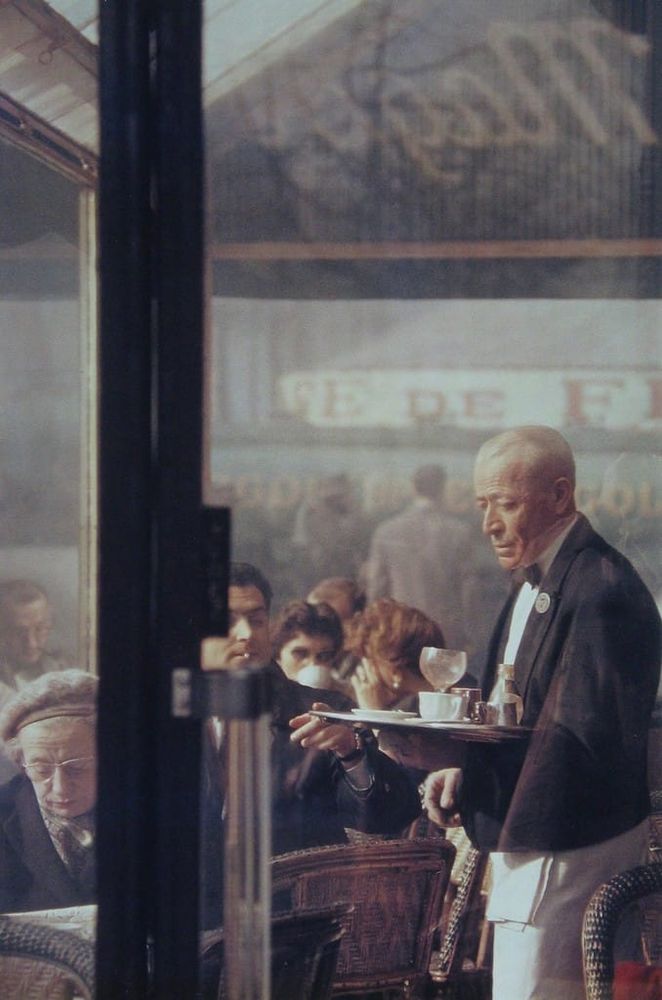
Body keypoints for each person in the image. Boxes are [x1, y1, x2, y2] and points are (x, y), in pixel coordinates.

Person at [423, 426, 661, 1000]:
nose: (489, 525)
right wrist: (459, 764)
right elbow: (518, 707)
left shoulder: (602, 590)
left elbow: (579, 742)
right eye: (483, 505)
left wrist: (471, 765)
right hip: (535, 848)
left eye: (506, 504)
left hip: (565, 851)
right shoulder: (541, 579)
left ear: (560, 496)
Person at [201, 562, 422, 927]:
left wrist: (351, 753)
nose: (245, 634)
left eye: (256, 620)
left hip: (288, 928)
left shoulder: (325, 713)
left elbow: (393, 815)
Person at [0, 669, 97, 913]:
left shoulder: (149, 812)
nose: (60, 787)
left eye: (77, 767)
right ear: (22, 763)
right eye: (41, 769)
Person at [365, 464, 478, 652]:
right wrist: (471, 633)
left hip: (400, 629)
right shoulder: (459, 532)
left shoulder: (386, 530)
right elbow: (469, 589)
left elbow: (377, 588)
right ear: (442, 488)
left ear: (413, 487)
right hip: (445, 630)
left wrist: (375, 631)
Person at [347, 597, 445, 713]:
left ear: (394, 671)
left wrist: (373, 712)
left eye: (370, 661)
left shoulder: (422, 714)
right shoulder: (447, 700)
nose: (366, 670)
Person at [0, 580, 68, 701]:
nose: (31, 643)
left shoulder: (65, 670)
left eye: (39, 629)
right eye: (19, 632)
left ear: (50, 624)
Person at [271, 598, 350, 695]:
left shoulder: (345, 698)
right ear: (278, 655)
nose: (313, 664)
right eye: (300, 654)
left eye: (324, 656)